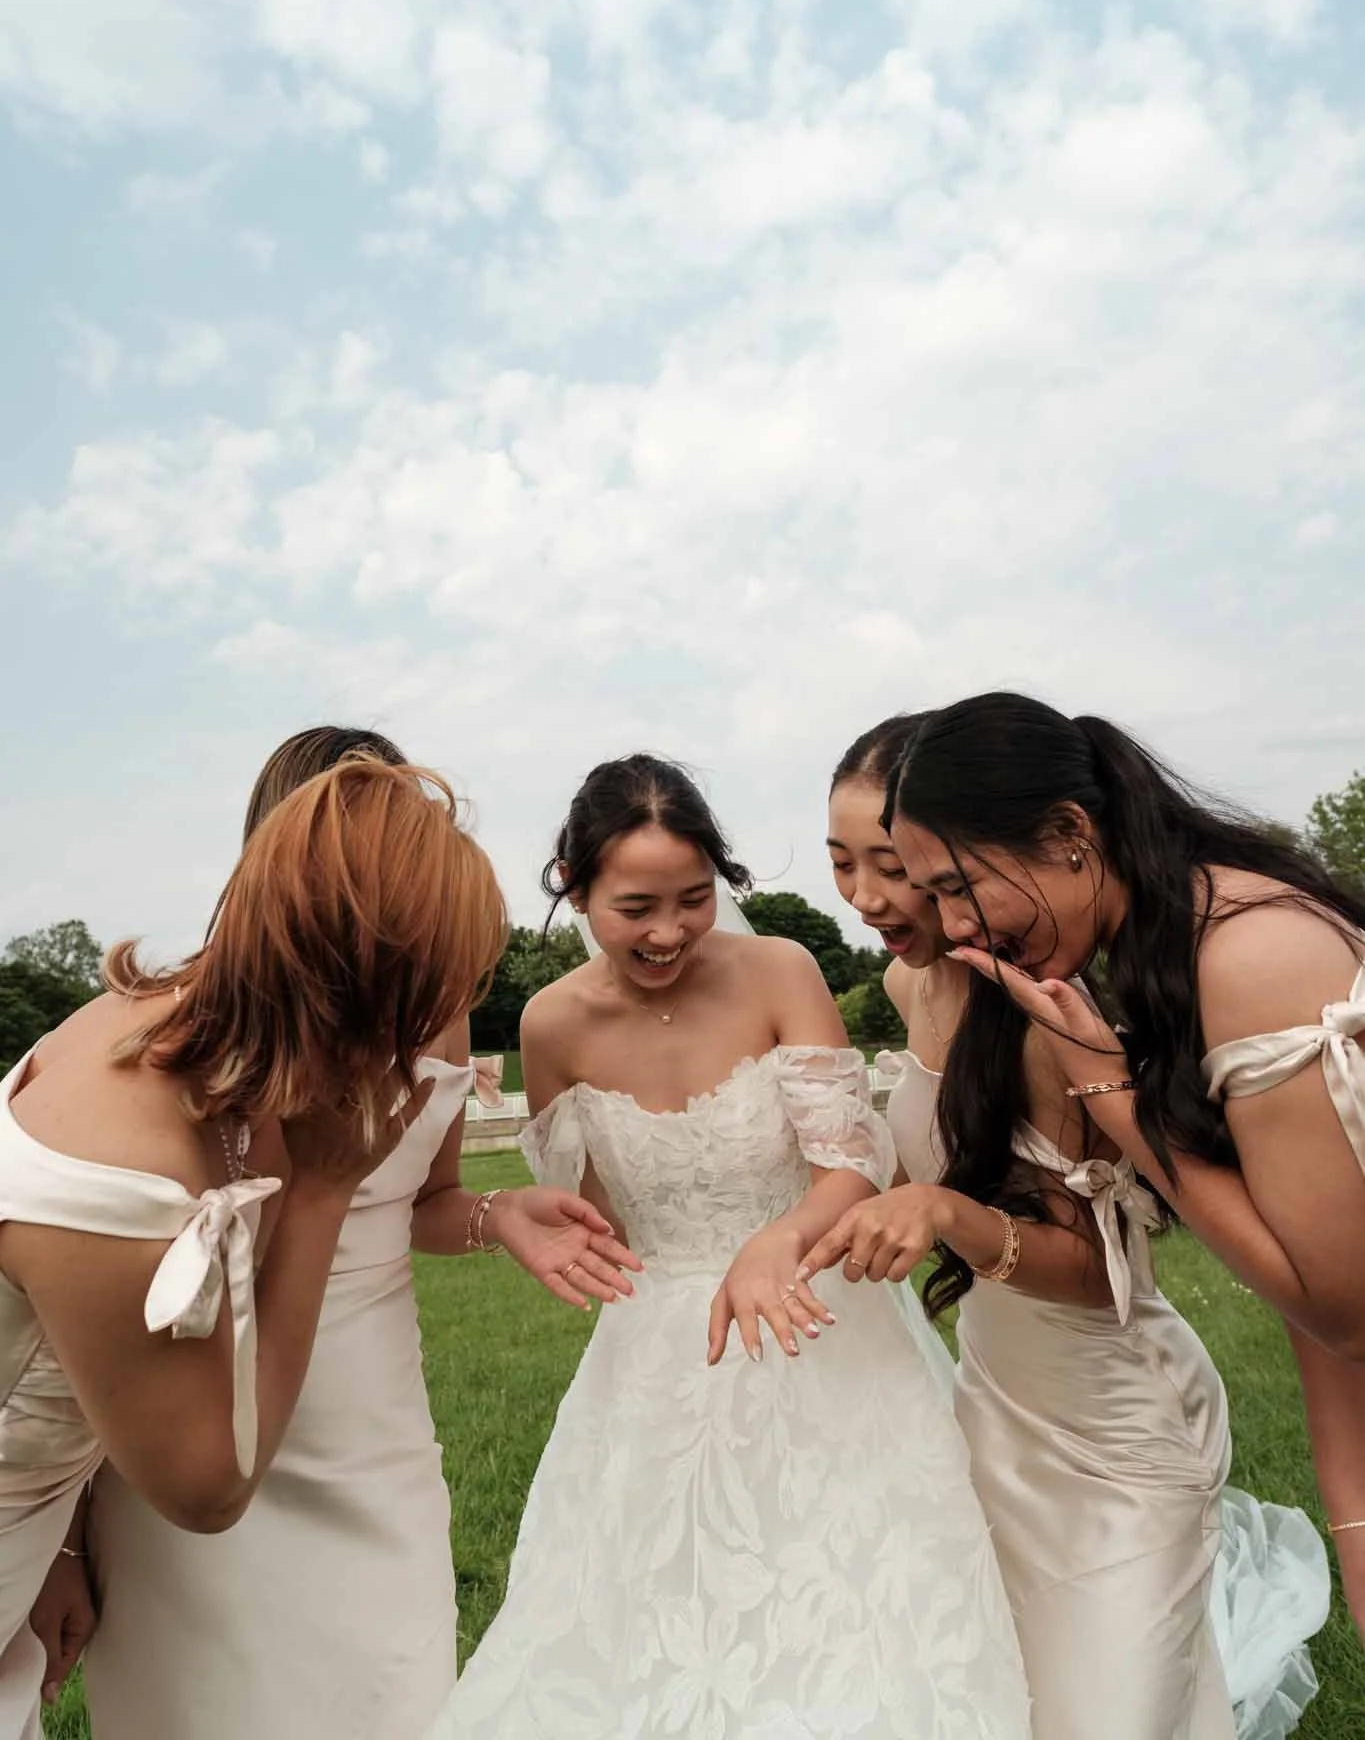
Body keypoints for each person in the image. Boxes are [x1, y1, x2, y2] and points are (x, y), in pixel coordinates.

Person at [72, 726, 640, 1740]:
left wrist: (498, 1212)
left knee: (398, 1696)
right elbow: (83, 1317)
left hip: (371, 1440)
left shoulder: (442, 1009)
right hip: (199, 1423)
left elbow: (428, 1196)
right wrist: (71, 1544)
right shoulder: (185, 1031)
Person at [450, 754, 1032, 1739]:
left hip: (817, 1316)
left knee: (853, 1604)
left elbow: (851, 1159)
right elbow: (588, 1215)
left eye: (694, 897)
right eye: (636, 906)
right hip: (659, 1362)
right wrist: (544, 1232)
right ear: (575, 885)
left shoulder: (780, 971)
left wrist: (782, 1234)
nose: (671, 929)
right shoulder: (548, 1024)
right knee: (656, 1628)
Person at [809, 715, 1330, 1740]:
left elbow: (1099, 1273)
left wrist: (947, 1211)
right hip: (992, 1410)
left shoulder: (1056, 1009)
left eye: (900, 867)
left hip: (1115, 1428)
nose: (872, 897)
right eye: (843, 864)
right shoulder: (907, 984)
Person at [0, 755, 505, 1740]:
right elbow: (211, 1486)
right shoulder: (123, 1168)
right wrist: (320, 1191)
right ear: (363, 992)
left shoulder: (170, 1033)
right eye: (421, 1005)